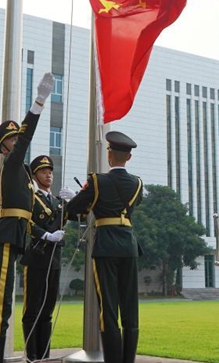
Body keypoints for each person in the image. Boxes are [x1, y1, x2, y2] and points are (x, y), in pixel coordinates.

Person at [0, 72, 65, 363]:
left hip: (6, 240)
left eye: (17, 137)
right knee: (0, 314)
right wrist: (38, 102)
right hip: (3, 241)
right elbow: (27, 138)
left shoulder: (22, 176)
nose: (18, 142)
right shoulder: (12, 164)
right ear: (5, 148)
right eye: (13, 139)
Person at [60, 131, 143, 363]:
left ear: (109, 154)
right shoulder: (137, 183)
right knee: (130, 307)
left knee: (108, 308)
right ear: (128, 157)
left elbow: (75, 209)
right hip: (128, 245)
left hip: (106, 244)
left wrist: (74, 199)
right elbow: (133, 205)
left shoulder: (97, 181)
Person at [21, 155, 67, 361]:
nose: (48, 174)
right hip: (37, 258)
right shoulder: (30, 197)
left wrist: (74, 200)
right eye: (43, 171)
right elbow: (26, 222)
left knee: (48, 310)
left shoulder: (58, 202)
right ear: (35, 175)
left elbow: (79, 216)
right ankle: (32, 357)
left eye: (50, 171)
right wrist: (46, 235)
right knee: (33, 310)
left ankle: (44, 356)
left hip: (54, 260)